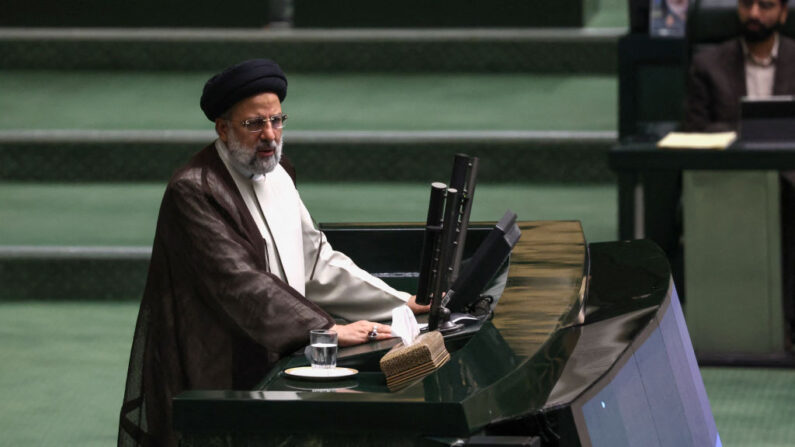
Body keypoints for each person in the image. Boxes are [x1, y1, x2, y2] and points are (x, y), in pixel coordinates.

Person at [118, 59, 429, 447]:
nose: (269, 135)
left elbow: (316, 263)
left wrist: (400, 302)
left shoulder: (278, 174)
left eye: (277, 120)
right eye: (254, 124)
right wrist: (325, 330)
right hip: (221, 366)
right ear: (223, 127)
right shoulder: (195, 190)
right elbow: (240, 283)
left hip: (283, 353)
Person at [684, 0, 794, 131]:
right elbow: (695, 129)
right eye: (747, 4)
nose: (754, 14)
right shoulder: (707, 65)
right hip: (730, 151)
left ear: (783, 13)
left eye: (765, 6)